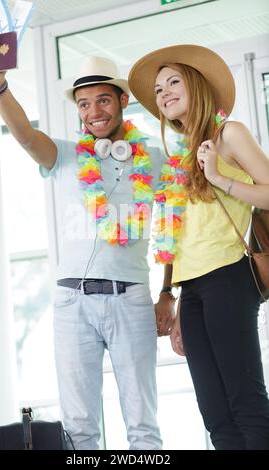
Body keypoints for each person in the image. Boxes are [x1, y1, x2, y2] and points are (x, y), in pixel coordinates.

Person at [0, 28, 176, 450]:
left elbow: (174, 228)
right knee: (79, 430)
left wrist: (168, 293)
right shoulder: (64, 156)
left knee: (143, 425)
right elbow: (25, 133)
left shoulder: (154, 160)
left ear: (121, 101)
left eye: (102, 100)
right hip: (71, 303)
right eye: (84, 104)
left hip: (131, 298)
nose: (94, 111)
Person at [128, 44, 269, 450]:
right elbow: (177, 235)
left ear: (197, 86)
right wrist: (169, 293)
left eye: (173, 81)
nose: (164, 92)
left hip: (228, 276)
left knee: (246, 405)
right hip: (191, 291)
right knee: (215, 415)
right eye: (158, 89)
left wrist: (221, 178)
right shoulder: (179, 157)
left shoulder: (228, 135)